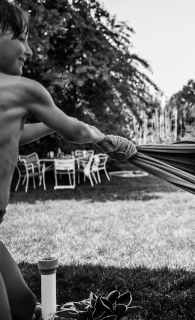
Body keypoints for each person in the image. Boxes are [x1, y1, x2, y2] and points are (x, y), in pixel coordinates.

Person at [0, 1, 105, 319]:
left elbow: (12, 135)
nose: (29, 51)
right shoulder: (23, 89)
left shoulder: (10, 98)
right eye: (22, 38)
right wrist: (98, 135)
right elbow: (75, 131)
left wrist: (46, 125)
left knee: (24, 306)